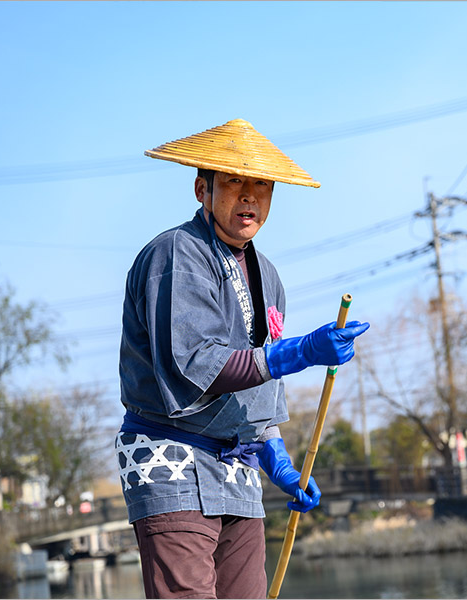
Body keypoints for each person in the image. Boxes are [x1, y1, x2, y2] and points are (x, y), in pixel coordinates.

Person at [115, 119, 370, 599]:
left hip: (237, 466)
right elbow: (200, 364)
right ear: (201, 190)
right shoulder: (176, 254)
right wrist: (301, 351)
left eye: (261, 186)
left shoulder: (266, 274)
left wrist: (277, 458)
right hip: (172, 457)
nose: (248, 197)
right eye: (234, 182)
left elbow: (260, 382)